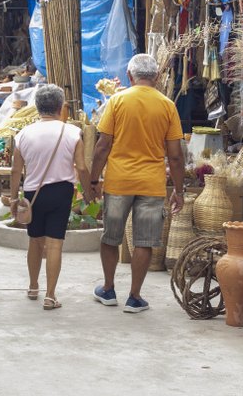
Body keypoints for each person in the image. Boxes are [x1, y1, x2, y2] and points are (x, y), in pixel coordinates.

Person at [89, 54, 185, 313]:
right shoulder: (167, 106)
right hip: (151, 185)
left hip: (119, 181)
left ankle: (108, 289)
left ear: (130, 76)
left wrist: (93, 179)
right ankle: (134, 296)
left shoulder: (117, 101)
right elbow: (175, 155)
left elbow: (102, 146)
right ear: (156, 77)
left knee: (111, 237)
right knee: (144, 241)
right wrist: (178, 190)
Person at [5, 85, 92, 310]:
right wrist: (89, 191)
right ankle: (50, 295)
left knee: (35, 241)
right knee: (54, 245)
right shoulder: (72, 133)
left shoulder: (24, 133)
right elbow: (81, 167)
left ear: (38, 107)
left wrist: (14, 199)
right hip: (62, 192)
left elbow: (16, 170)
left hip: (33, 194)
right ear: (60, 107)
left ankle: (33, 287)